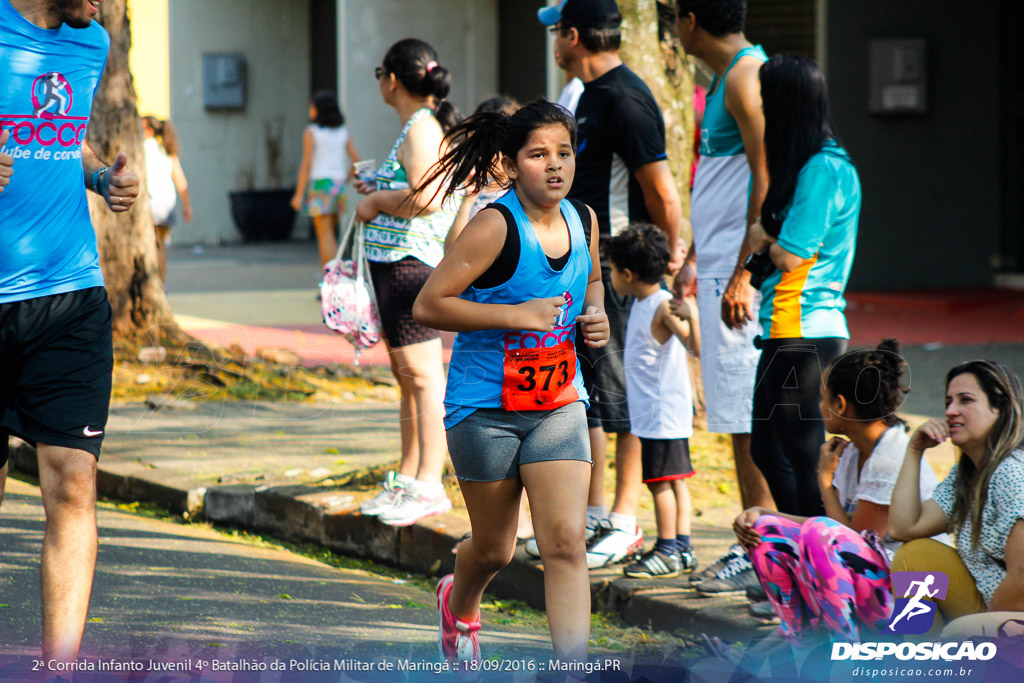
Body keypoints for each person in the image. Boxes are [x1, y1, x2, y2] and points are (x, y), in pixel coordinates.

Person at [412, 100, 608, 665]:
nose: (554, 166)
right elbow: (430, 304)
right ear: (511, 163)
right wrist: (516, 315)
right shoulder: (494, 226)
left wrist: (595, 314)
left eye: (564, 153)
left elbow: (591, 279)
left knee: (567, 541)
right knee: (495, 548)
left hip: (558, 401)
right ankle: (460, 603)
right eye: (538, 154)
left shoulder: (584, 220)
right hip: (484, 407)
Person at [0, 0, 141, 664]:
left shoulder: (89, 43)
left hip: (70, 296)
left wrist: (96, 176)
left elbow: (59, 132)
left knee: (74, 485)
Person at [539, 0, 685, 571]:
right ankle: (597, 513)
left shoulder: (624, 98)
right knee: (593, 394)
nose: (554, 42)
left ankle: (624, 520)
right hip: (587, 262)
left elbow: (664, 195)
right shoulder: (586, 97)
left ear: (573, 36)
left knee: (624, 396)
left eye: (557, 31)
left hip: (621, 269)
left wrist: (661, 274)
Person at [732, 340, 945, 644]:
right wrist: (763, 513)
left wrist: (823, 481)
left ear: (841, 405)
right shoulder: (852, 452)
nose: (819, 407)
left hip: (913, 607)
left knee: (818, 532)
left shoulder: (890, 456)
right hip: (868, 586)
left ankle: (843, 655)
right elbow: (841, 537)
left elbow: (843, 540)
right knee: (766, 531)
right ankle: (798, 640)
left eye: (822, 397)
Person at [673, 0, 775, 595]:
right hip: (714, 270)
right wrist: (694, 259)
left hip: (737, 281)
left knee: (747, 418)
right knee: (738, 417)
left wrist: (743, 272)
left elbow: (766, 176)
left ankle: (763, 555)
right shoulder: (725, 76)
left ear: (690, 20)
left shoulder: (744, 73)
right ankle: (760, 548)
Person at [744, 55, 859, 524]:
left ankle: (819, 556)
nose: (761, 110)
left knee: (796, 453)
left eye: (766, 100)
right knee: (768, 448)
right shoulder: (814, 165)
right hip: (787, 326)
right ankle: (803, 550)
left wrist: (761, 238)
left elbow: (791, 255)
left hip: (804, 329)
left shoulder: (824, 169)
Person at [353, 39, 460, 527]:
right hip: (397, 264)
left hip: (410, 263)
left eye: (380, 72)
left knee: (423, 380)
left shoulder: (422, 127)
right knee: (408, 381)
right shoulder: (417, 126)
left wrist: (376, 202)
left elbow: (430, 197)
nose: (379, 80)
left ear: (392, 79)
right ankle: (409, 477)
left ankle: (429, 484)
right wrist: (378, 184)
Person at [889, 360, 1024, 628]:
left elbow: (1021, 579)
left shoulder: (1012, 473)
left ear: (999, 408)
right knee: (914, 555)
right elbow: (903, 527)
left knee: (956, 632)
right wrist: (914, 451)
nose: (951, 411)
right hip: (992, 607)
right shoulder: (969, 474)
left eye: (966, 400)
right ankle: (921, 660)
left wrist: (983, 640)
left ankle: (936, 662)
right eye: (949, 401)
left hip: (1013, 616)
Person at [607, 224, 700, 578]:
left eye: (613, 270)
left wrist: (691, 317)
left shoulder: (661, 305)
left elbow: (693, 346)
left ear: (628, 274)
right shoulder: (646, 302)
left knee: (661, 481)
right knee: (676, 480)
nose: (611, 276)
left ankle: (667, 549)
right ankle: (683, 548)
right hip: (656, 414)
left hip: (661, 415)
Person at [290, 91, 361, 267]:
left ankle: (330, 280)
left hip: (320, 184)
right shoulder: (342, 132)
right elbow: (357, 161)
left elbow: (306, 164)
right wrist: (345, 180)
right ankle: (336, 277)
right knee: (331, 234)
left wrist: (298, 194)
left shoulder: (312, 132)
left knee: (324, 236)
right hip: (338, 185)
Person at [142, 116, 192, 282]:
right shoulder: (167, 149)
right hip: (167, 202)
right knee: (160, 246)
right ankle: (161, 284)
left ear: (149, 130)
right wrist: (187, 205)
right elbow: (180, 179)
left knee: (150, 245)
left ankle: (152, 282)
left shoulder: (143, 148)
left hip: (151, 201)